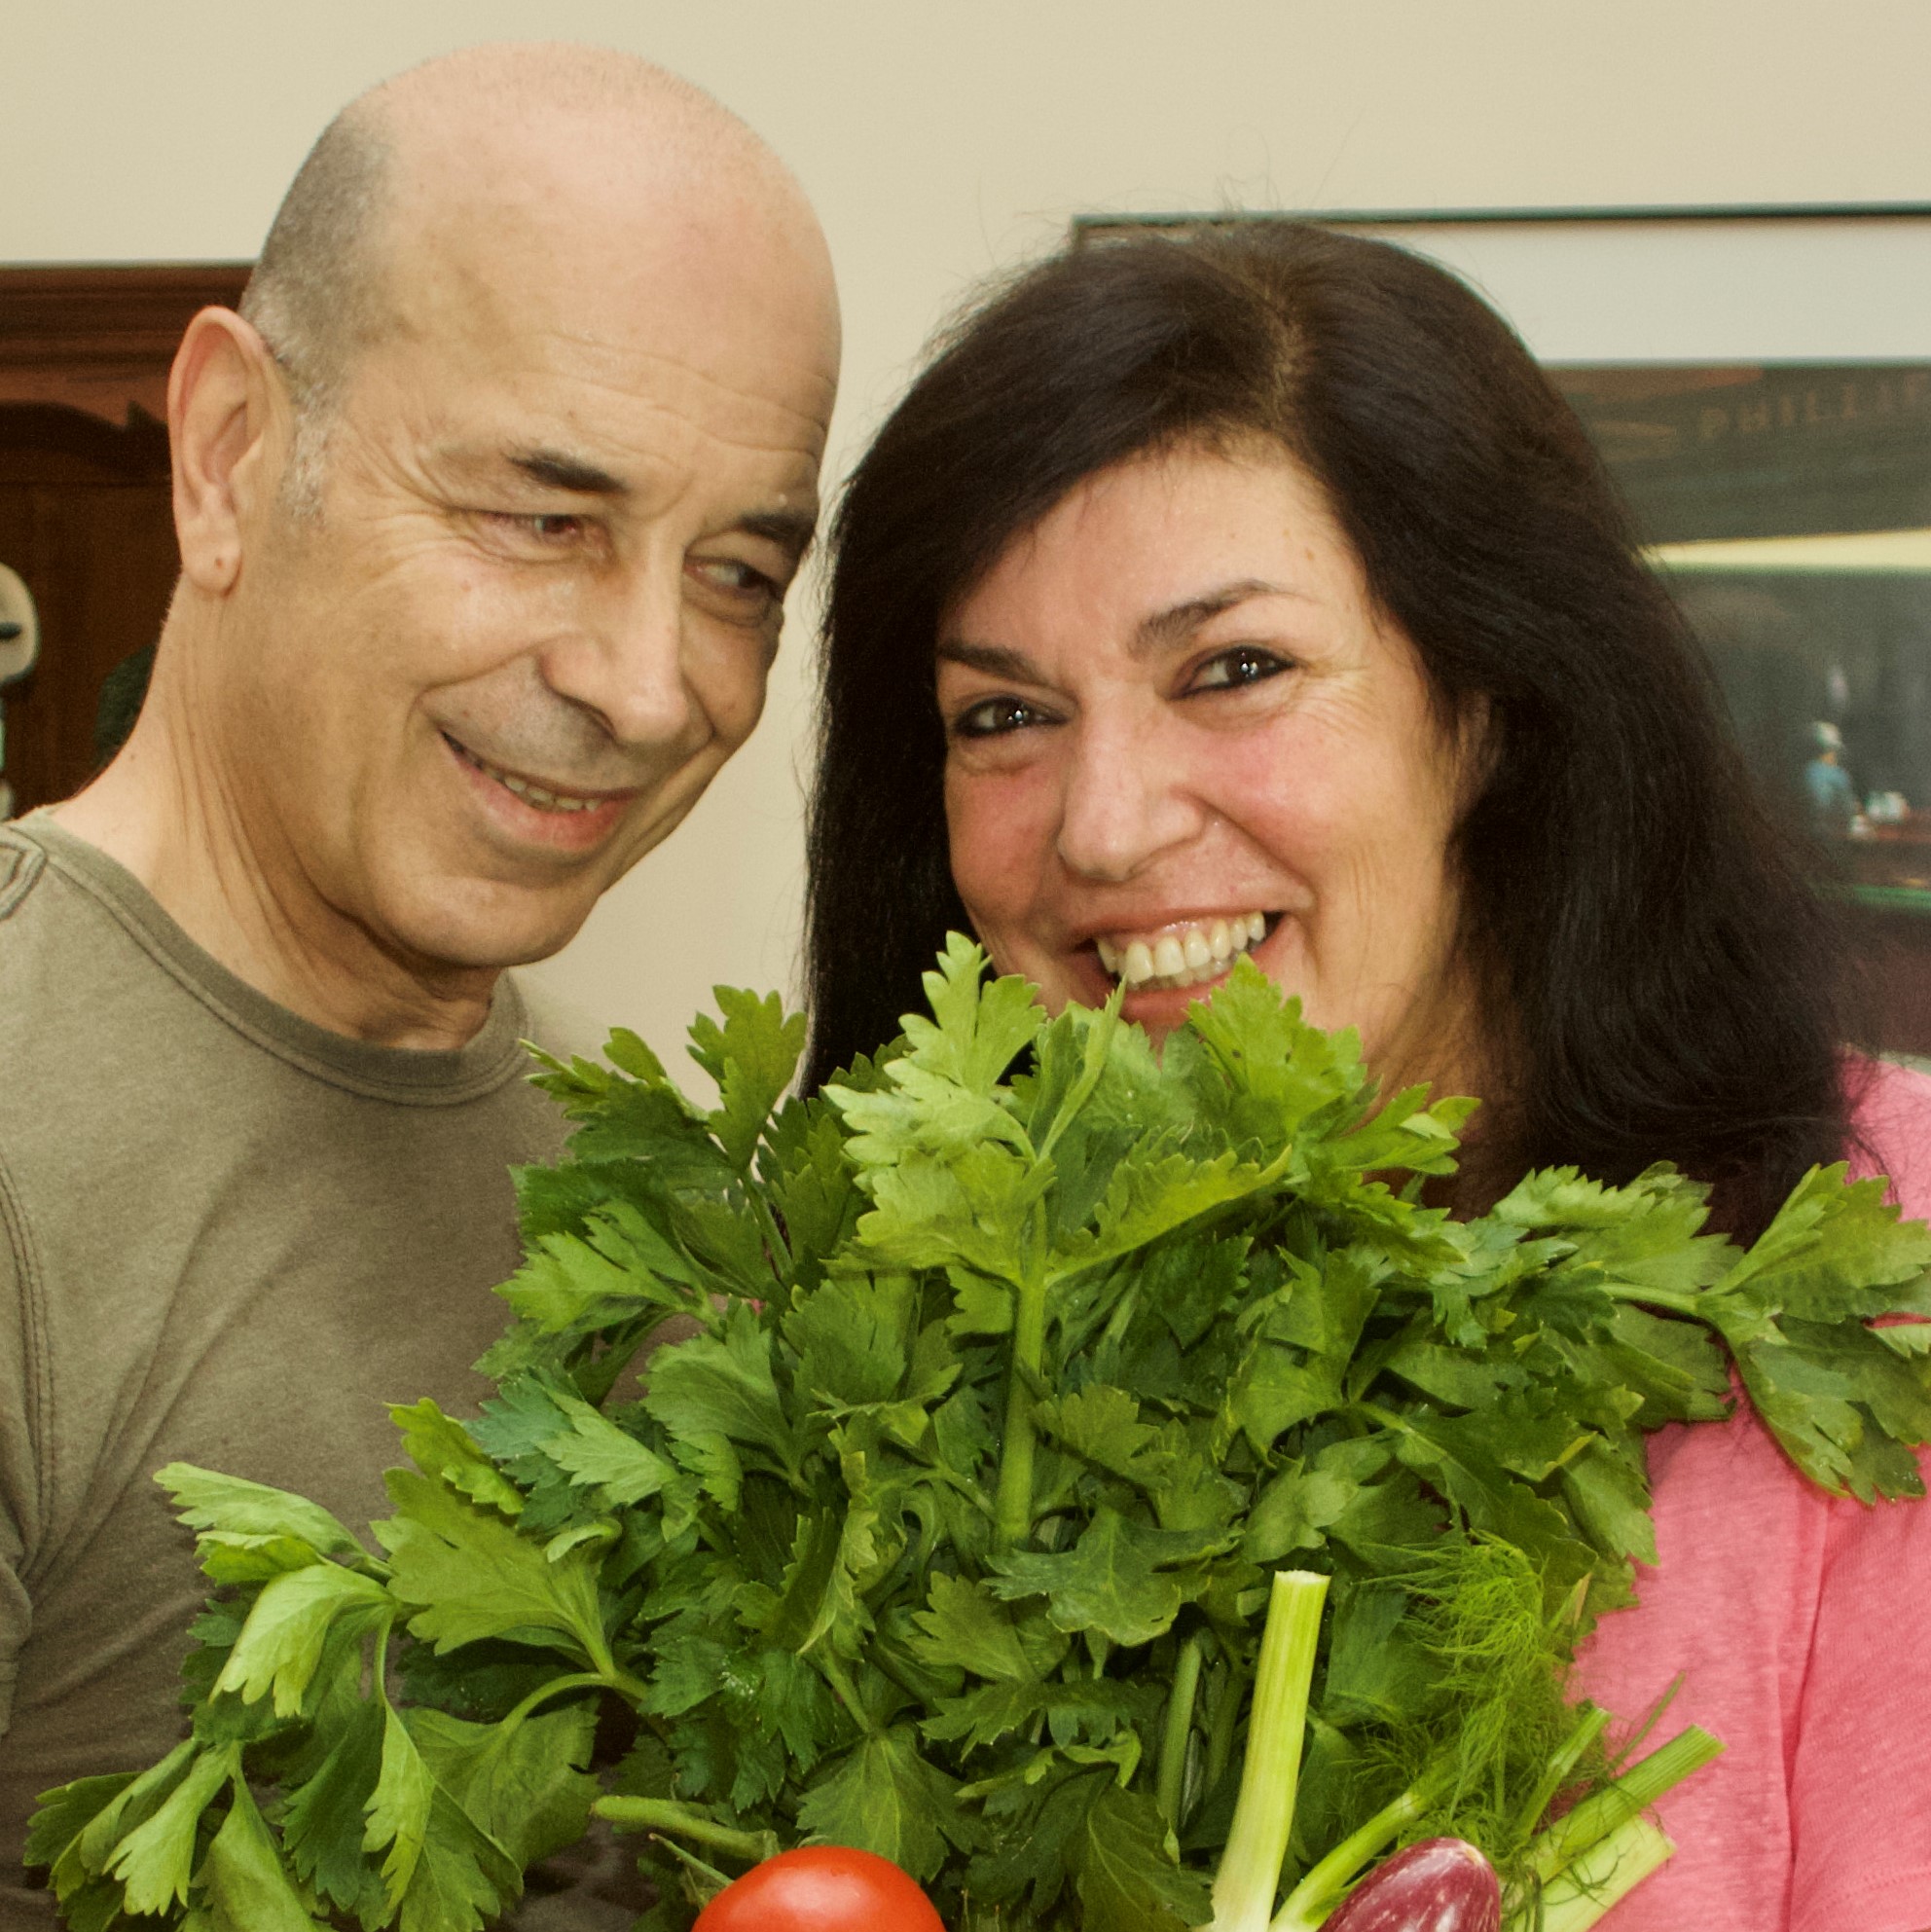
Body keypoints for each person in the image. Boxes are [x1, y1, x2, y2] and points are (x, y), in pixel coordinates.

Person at [803, 225, 1931, 1931]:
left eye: (1234, 670)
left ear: (1491, 703)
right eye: (1003, 715)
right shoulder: (877, 1372)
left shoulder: (1884, 1277)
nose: (1103, 829)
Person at [0, 42, 839, 1923]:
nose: (650, 685)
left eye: (737, 572)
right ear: (230, 454)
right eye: (544, 518)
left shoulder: (658, 1198)